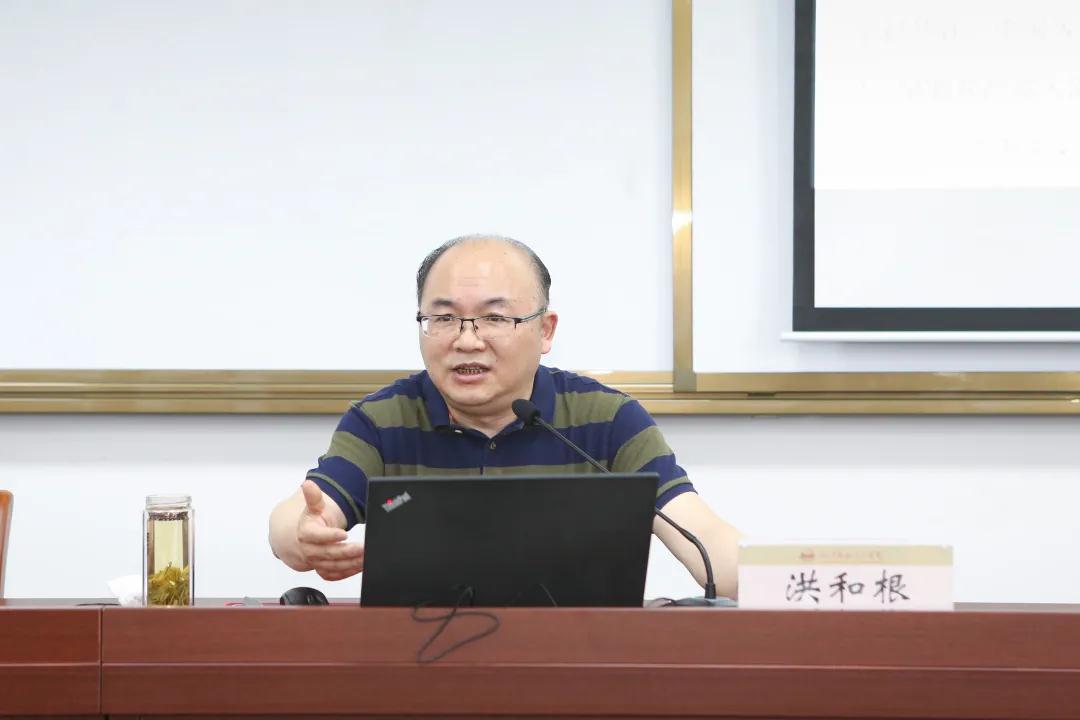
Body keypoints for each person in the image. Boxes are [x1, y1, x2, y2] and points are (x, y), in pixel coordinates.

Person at [269, 234, 741, 598]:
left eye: (495, 318)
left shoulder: (608, 420)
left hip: (577, 666)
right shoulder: (382, 420)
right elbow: (299, 519)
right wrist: (302, 536)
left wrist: (780, 582)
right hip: (419, 668)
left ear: (545, 330)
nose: (466, 340)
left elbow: (704, 538)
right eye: (443, 318)